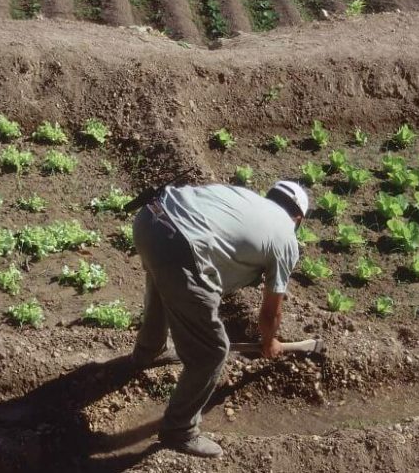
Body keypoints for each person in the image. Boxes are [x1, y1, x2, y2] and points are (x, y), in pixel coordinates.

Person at [130, 180, 308, 458]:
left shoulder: (247, 200)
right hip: (180, 244)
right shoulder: (286, 236)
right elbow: (272, 310)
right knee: (211, 352)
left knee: (164, 276)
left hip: (150, 218)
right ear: (298, 218)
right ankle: (180, 430)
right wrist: (269, 340)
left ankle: (148, 350)